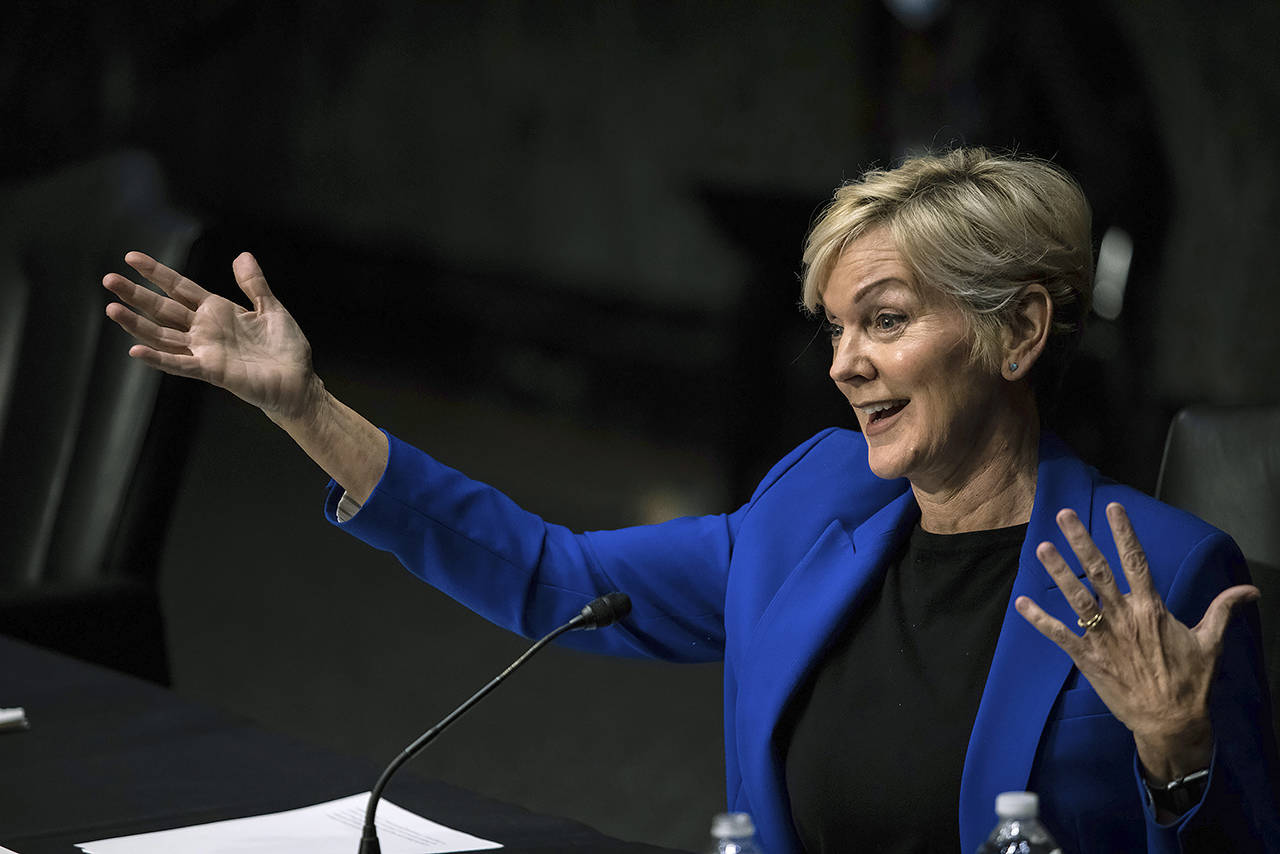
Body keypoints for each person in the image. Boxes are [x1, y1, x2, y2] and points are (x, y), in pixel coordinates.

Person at [103, 147, 1279, 853]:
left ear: (1018, 329)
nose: (843, 363)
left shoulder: (1160, 570)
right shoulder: (811, 502)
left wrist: (1177, 755)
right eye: (834, 329)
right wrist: (304, 405)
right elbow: (554, 577)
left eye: (883, 319)